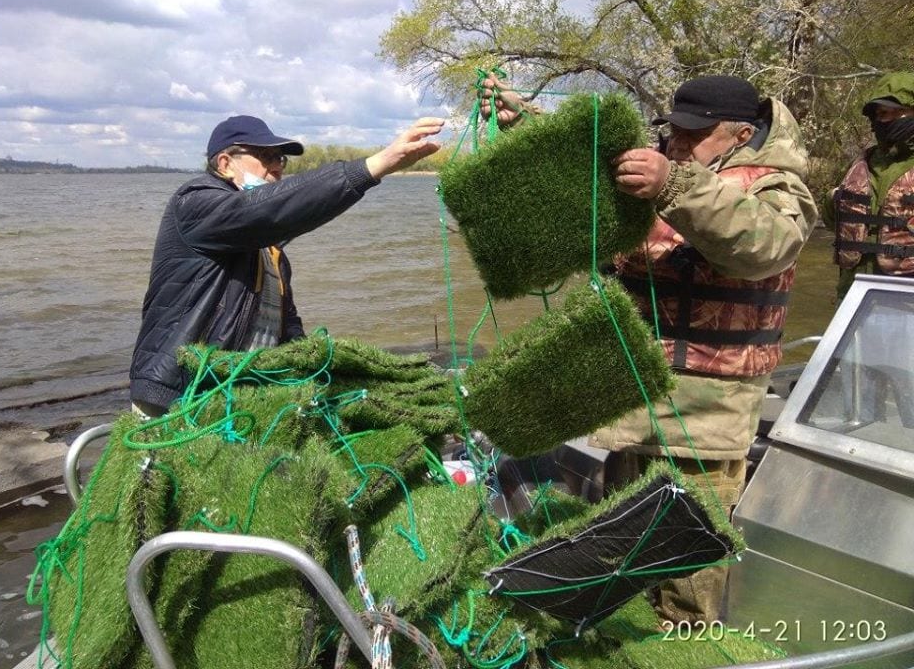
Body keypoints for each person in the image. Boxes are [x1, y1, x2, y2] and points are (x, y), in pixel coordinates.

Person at [481, 74, 817, 624]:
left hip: (705, 419)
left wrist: (675, 185)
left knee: (686, 570)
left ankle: (685, 643)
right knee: (622, 547)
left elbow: (767, 245)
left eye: (694, 135)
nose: (678, 145)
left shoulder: (778, 186)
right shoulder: (670, 165)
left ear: (739, 132)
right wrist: (525, 115)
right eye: (674, 133)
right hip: (633, 402)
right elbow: (601, 154)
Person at [130, 114, 444, 418]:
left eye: (281, 159)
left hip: (239, 400)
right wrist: (376, 165)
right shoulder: (196, 204)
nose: (277, 168)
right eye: (266, 156)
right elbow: (270, 209)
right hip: (180, 396)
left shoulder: (269, 246)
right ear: (225, 163)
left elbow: (284, 321)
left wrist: (310, 367)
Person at [821, 71, 914, 427]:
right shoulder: (863, 163)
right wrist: (837, 202)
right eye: (877, 115)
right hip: (855, 299)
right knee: (857, 406)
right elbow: (837, 220)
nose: (881, 121)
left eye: (890, 113)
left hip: (906, 305)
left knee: (911, 405)